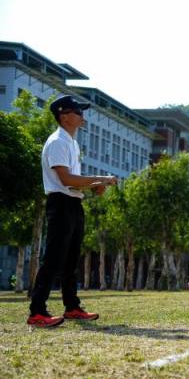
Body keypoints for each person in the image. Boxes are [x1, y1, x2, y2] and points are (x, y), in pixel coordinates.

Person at [27, 95, 117, 328]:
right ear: (64, 116)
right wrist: (100, 179)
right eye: (77, 112)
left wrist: (97, 186)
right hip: (61, 203)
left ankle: (72, 307)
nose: (82, 116)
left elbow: (75, 182)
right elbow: (66, 179)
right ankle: (37, 311)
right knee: (53, 259)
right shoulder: (57, 142)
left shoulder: (72, 143)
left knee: (70, 260)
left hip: (73, 203)